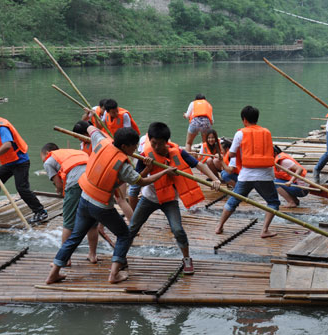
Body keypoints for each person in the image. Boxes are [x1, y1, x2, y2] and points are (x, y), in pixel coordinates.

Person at [45, 126, 171, 285]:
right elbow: (142, 181)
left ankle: (53, 274)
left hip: (85, 199)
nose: (135, 150)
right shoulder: (123, 166)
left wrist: (90, 119)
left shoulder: (101, 141)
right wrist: (165, 172)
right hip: (101, 206)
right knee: (125, 235)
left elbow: (90, 128)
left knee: (75, 237)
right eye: (133, 146)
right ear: (125, 146)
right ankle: (114, 274)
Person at [129, 122, 221, 275]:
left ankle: (186, 259)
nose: (157, 147)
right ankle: (119, 257)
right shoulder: (144, 155)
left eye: (160, 144)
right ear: (149, 140)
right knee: (132, 228)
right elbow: (137, 179)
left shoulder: (178, 152)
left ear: (167, 141)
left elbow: (199, 165)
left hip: (170, 200)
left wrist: (215, 180)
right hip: (149, 198)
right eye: (153, 143)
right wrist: (147, 168)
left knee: (178, 230)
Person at [215, 106, 280, 238]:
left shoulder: (240, 133)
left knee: (233, 201)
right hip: (265, 175)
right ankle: (265, 230)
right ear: (257, 119)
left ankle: (219, 226)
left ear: (244, 120)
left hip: (246, 175)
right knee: (273, 203)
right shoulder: (266, 132)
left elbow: (232, 154)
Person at [40, 143, 98, 264]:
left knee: (68, 223)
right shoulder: (74, 152)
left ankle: (65, 259)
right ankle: (92, 255)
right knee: (92, 222)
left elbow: (59, 185)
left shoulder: (48, 161)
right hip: (94, 181)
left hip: (76, 184)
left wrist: (60, 191)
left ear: (46, 153)